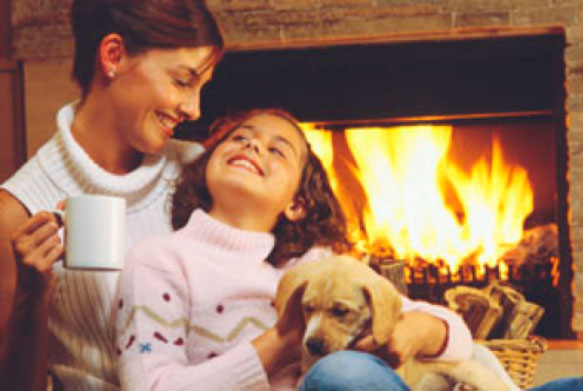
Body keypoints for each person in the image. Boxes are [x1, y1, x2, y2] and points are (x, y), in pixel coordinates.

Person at [115, 108, 474, 391]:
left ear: (297, 203)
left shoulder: (316, 267)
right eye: (240, 138)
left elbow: (459, 340)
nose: (253, 147)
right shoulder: (159, 260)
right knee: (342, 372)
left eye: (277, 151)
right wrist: (285, 339)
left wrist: (418, 330)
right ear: (208, 163)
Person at [0, 0, 223, 389]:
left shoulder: (200, 171)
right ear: (113, 56)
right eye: (182, 82)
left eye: (201, 88)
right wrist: (32, 299)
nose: (194, 109)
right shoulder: (16, 212)